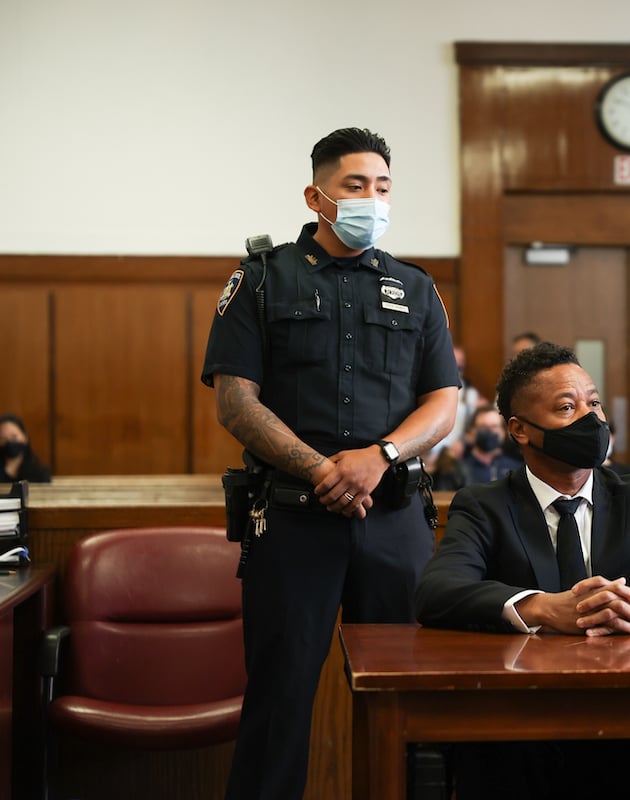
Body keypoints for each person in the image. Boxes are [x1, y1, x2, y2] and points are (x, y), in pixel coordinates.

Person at [201, 127, 460, 800]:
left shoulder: (416, 287)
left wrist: (379, 456)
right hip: (291, 523)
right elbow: (235, 403)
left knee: (410, 700)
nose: (372, 199)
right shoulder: (259, 279)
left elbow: (442, 404)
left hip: (395, 519)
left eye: (382, 187)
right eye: (355, 186)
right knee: (280, 702)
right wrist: (323, 471)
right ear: (317, 196)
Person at [415, 341, 630, 800]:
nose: (591, 419)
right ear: (520, 429)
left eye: (593, 402)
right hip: (528, 709)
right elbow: (437, 590)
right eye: (566, 407)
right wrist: (540, 608)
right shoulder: (485, 505)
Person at [459, 405, 522, 484]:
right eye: (483, 427)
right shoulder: (458, 470)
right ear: (471, 431)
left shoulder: (516, 470)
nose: (489, 431)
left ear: (503, 432)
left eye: (494, 426)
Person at [0, 414, 51, 483]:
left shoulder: (39, 471)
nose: (9, 441)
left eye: (14, 437)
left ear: (25, 436)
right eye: (3, 438)